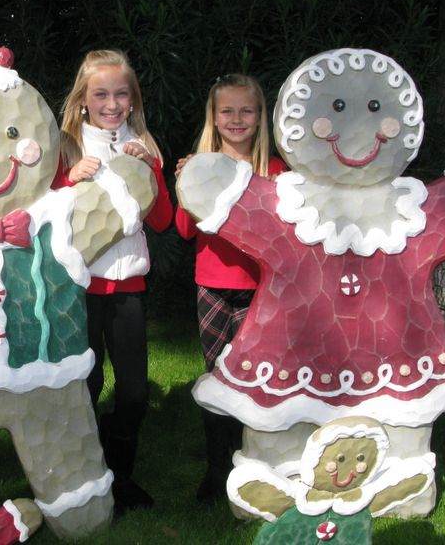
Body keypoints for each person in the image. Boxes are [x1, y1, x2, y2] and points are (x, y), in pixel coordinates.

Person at [53, 49, 172, 515]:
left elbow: (162, 221)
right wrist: (67, 183)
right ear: (83, 98)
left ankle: (120, 475)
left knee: (134, 393)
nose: (112, 102)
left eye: (122, 93)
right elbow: (42, 217)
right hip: (78, 288)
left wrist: (152, 171)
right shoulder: (64, 143)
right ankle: (86, 474)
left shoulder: (143, 142)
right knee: (85, 382)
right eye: (101, 93)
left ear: (133, 99)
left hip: (127, 289)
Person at [174, 74, 286, 503]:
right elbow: (185, 230)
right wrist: (188, 183)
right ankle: (217, 467)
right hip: (214, 286)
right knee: (218, 378)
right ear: (214, 118)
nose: (237, 119)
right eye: (227, 111)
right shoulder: (200, 165)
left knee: (261, 379)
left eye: (247, 110)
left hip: (264, 289)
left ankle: (258, 463)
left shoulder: (277, 171)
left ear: (260, 118)